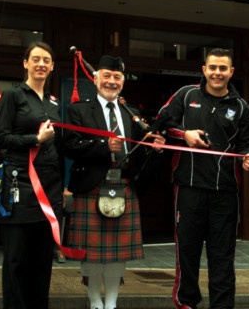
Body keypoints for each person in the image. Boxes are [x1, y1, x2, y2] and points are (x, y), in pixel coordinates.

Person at [63, 55, 165, 309]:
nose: (111, 81)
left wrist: (154, 147)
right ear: (95, 78)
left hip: (124, 186)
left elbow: (139, 151)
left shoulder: (132, 113)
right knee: (94, 256)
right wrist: (103, 145)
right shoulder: (79, 110)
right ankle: (95, 301)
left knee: (117, 257)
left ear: (122, 82)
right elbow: (69, 145)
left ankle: (111, 303)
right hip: (92, 186)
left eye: (117, 77)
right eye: (106, 76)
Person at [157, 48, 249, 309]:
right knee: (187, 255)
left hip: (225, 192)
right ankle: (186, 305)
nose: (217, 73)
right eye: (213, 67)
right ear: (204, 69)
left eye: (223, 68)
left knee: (222, 258)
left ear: (231, 72)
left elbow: (247, 144)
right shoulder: (186, 94)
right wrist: (184, 134)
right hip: (188, 190)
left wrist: (247, 157)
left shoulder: (241, 106)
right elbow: (161, 123)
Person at [0, 41, 61, 309]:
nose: (41, 64)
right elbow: (1, 139)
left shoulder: (53, 102)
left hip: (50, 188)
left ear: (52, 66)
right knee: (16, 261)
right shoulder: (13, 95)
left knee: (42, 261)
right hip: (19, 186)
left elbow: (58, 144)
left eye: (46, 60)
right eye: (35, 59)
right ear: (25, 63)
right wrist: (36, 138)